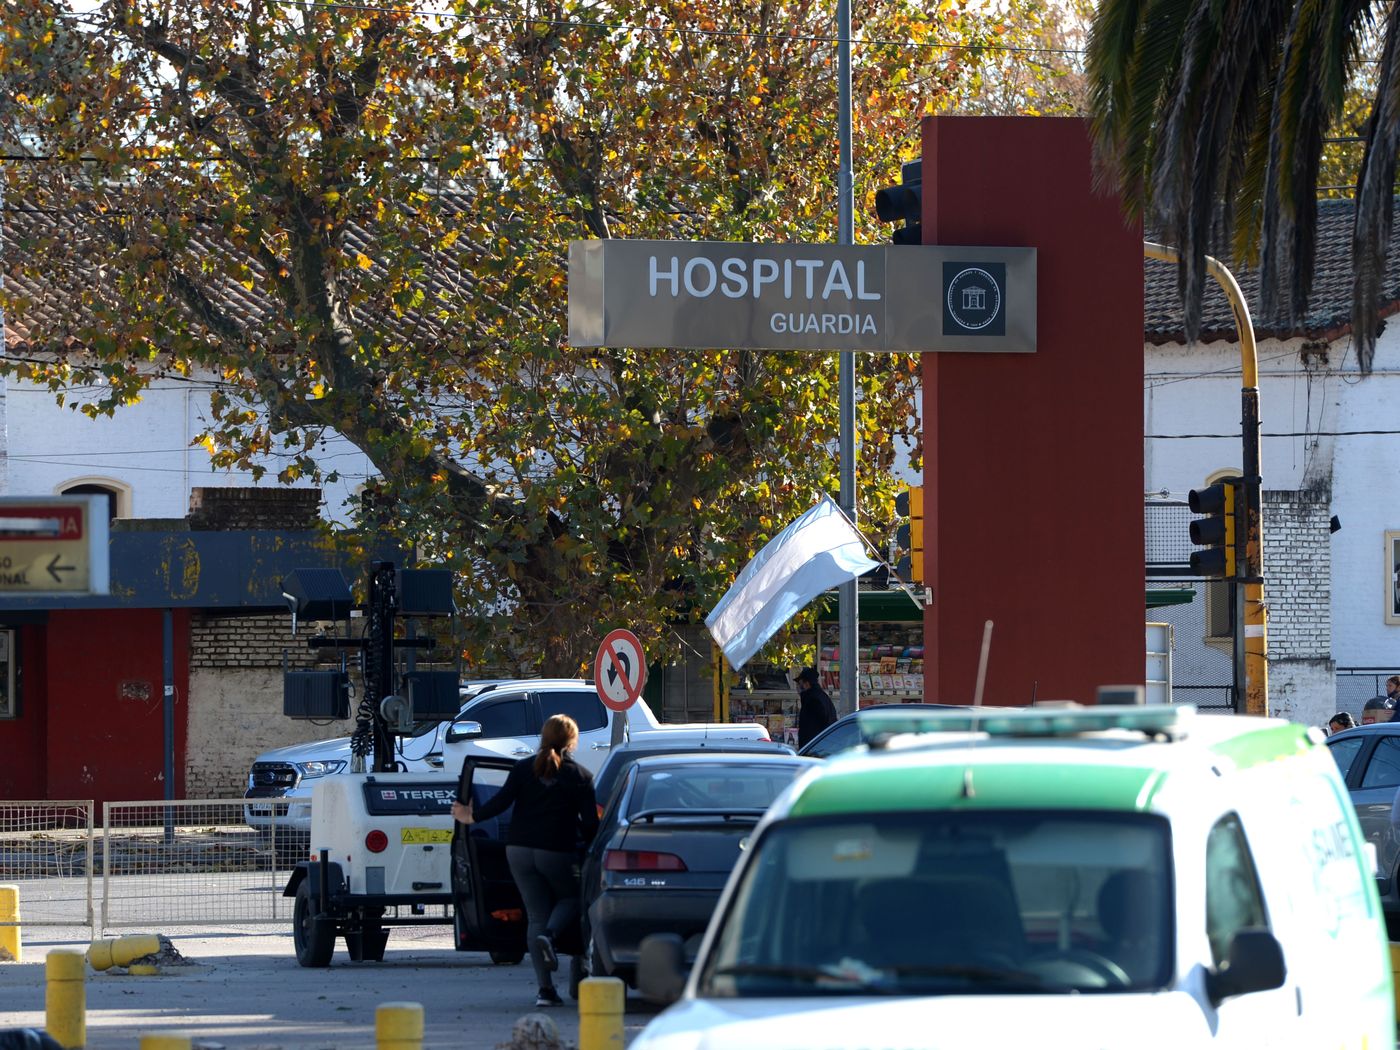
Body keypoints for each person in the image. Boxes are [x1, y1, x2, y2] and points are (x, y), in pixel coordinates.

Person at [451, 714, 599, 1007]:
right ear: (572, 741)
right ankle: (552, 937)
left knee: (535, 916)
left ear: (544, 737)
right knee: (570, 898)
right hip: (556, 851)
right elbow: (590, 825)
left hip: (517, 850)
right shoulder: (580, 776)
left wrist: (470, 816)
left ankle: (545, 991)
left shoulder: (522, 769)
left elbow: (500, 802)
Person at [795, 666, 838, 749]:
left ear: (806, 684)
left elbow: (813, 726)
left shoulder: (812, 699)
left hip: (814, 747)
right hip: (820, 745)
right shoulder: (821, 696)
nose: (798, 687)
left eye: (799, 684)